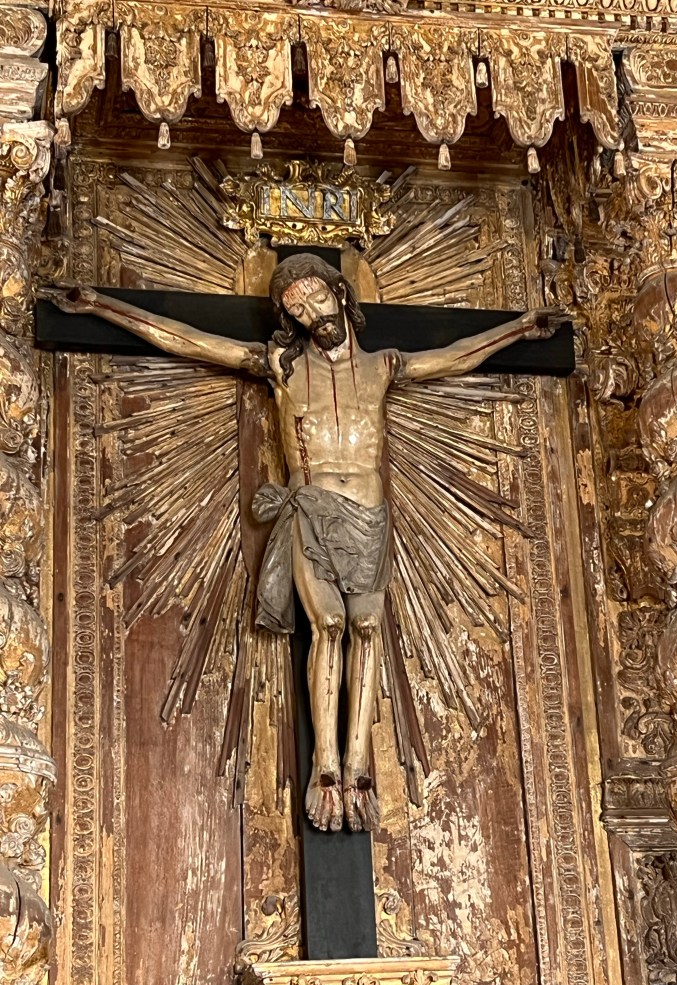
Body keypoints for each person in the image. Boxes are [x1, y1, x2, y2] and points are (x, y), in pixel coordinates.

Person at [48, 253, 558, 832]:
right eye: (297, 308)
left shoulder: (384, 367)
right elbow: (190, 341)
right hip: (311, 510)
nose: (312, 312)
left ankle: (359, 765)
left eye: (317, 297)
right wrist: (102, 306)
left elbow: (456, 356)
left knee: (368, 626)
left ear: (340, 294)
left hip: (369, 516)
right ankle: (325, 765)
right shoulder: (281, 368)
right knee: (330, 624)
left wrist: (520, 328)